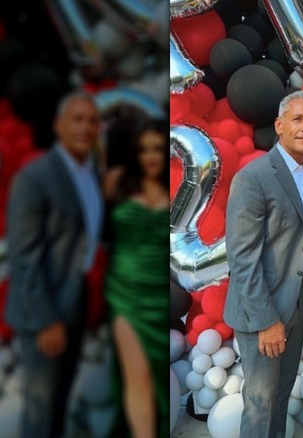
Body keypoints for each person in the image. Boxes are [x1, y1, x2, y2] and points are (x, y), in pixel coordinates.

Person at [223, 90, 303, 438]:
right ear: (279, 126)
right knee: (261, 401)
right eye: (297, 119)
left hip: (296, 298)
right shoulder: (255, 177)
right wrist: (266, 321)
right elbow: (242, 258)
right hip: (262, 306)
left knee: (280, 394)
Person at [4, 91, 103, 437]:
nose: (85, 127)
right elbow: (24, 257)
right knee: (41, 411)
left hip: (73, 306)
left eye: (92, 120)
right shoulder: (35, 178)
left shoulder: (88, 174)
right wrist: (47, 320)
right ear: (58, 126)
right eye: (77, 119)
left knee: (59, 405)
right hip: (42, 315)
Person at [102, 118, 169, 437]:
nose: (151, 156)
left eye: (158, 149)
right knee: (137, 375)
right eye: (143, 150)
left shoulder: (175, 185)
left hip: (160, 293)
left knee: (158, 376)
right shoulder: (116, 181)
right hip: (124, 293)